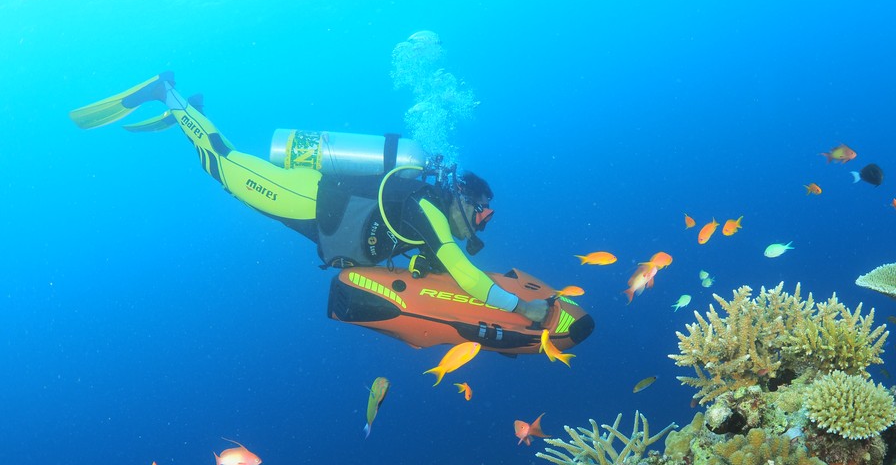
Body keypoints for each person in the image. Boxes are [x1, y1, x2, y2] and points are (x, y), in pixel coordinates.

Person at [69, 72, 550, 324]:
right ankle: (167, 94)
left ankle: (188, 115)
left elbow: (432, 269)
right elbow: (461, 269)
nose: (481, 225)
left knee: (222, 166)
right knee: (223, 164)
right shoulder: (427, 207)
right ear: (463, 197)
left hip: (316, 214)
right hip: (304, 196)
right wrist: (520, 308)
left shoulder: (430, 218)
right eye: (482, 214)